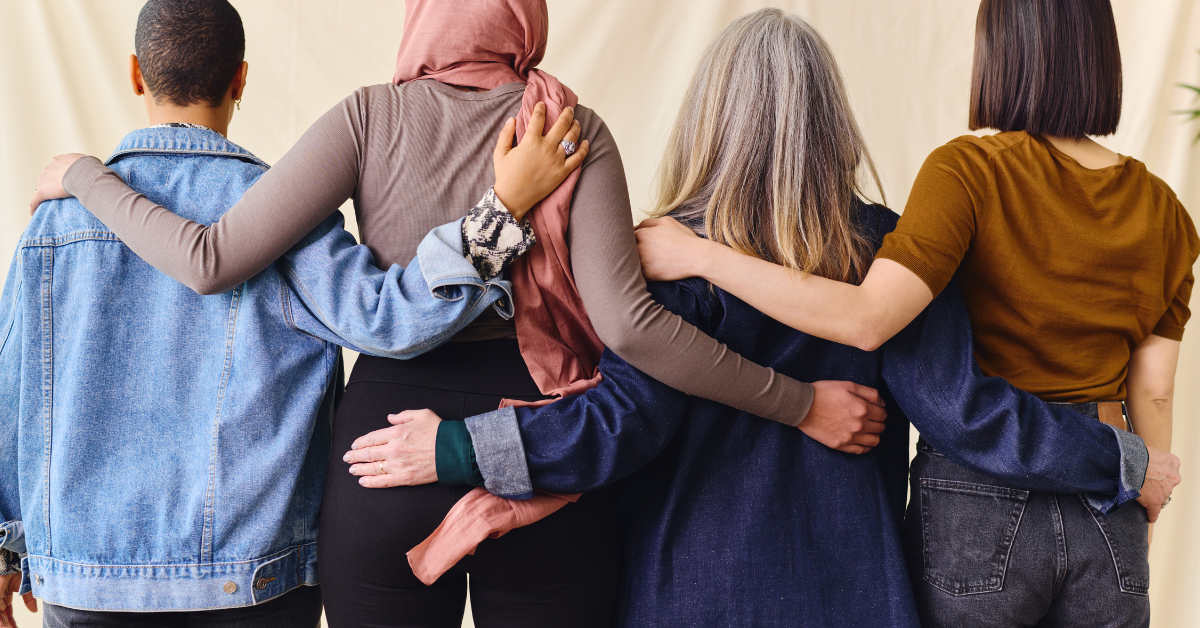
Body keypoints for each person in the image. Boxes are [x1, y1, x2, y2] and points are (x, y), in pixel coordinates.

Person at [26, 1, 892, 625]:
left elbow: (209, 260)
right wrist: (799, 402)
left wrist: (82, 175)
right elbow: (630, 330)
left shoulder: (368, 118)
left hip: (383, 455)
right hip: (549, 458)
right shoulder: (567, 127)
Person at [359, 9, 1175, 627]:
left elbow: (618, 425)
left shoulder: (666, 256)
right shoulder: (882, 251)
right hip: (856, 597)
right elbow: (966, 412)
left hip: (687, 594)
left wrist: (459, 446)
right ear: (834, 125)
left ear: (708, 119)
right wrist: (1121, 459)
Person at [0, 0, 580, 626]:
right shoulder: (282, 220)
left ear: (136, 73)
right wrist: (499, 218)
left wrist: (7, 548)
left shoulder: (55, 221)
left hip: (87, 579)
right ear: (241, 79)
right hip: (251, 581)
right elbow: (389, 320)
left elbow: (12, 391)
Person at [633, 1, 1194, 626]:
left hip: (981, 497)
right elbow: (1157, 392)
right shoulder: (1166, 209)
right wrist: (1140, 499)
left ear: (1000, 55)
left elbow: (871, 318)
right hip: (1106, 487)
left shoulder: (968, 173)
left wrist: (703, 256)